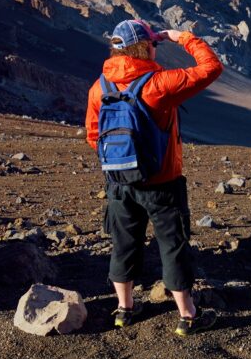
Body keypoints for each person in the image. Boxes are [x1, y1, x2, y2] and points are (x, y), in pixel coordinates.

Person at [85, 20, 222, 336]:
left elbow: (94, 135)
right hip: (162, 183)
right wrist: (181, 37)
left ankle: (124, 309)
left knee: (123, 244)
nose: (156, 47)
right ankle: (187, 316)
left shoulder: (99, 87)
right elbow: (211, 67)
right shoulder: (160, 83)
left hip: (119, 182)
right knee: (173, 246)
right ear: (146, 46)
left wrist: (123, 159)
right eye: (154, 44)